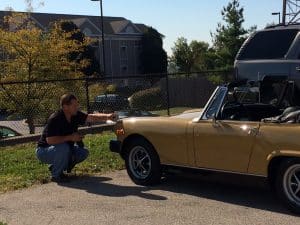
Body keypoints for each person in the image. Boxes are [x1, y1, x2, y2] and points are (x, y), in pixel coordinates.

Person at [36, 93, 116, 183]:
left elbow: (91, 117)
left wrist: (107, 116)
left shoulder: (75, 115)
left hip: (60, 150)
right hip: (44, 151)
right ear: (65, 106)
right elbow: (50, 140)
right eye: (74, 105)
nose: (77, 107)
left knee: (82, 152)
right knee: (64, 148)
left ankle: (56, 167)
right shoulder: (55, 118)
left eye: (77, 105)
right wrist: (71, 137)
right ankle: (56, 175)